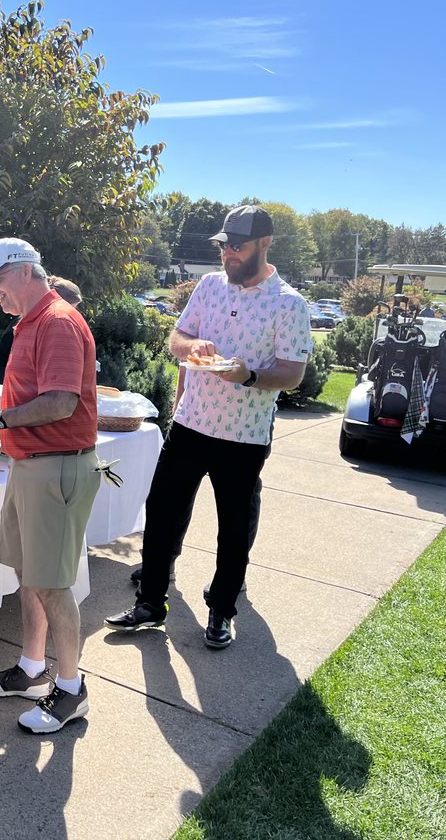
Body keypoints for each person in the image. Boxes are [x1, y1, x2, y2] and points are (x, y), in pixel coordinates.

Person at [104, 205, 311, 649]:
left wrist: (248, 375)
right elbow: (176, 339)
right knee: (162, 513)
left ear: (264, 245)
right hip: (192, 423)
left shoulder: (289, 304)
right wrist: (192, 344)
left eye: (236, 246)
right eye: (223, 246)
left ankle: (221, 610)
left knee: (233, 529)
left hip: (244, 436)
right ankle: (151, 602)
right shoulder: (209, 286)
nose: (227, 255)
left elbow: (292, 373)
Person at [0, 238, 101, 733]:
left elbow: (60, 403)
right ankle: (33, 669)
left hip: (55, 467)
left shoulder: (56, 321)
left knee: (53, 585)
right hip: (33, 464)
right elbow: (36, 408)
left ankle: (72, 689)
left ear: (23, 272)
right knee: (30, 575)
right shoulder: (33, 323)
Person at [0, 275, 82, 382]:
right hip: (1, 384)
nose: (73, 313)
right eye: (70, 307)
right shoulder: (35, 323)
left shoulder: (37, 320)